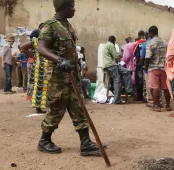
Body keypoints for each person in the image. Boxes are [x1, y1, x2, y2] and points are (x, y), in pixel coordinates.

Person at [36, 0, 106, 155]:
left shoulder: (67, 26)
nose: (74, 10)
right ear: (64, 8)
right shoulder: (50, 26)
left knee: (78, 108)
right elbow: (41, 48)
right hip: (59, 78)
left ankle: (86, 143)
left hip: (72, 77)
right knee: (56, 109)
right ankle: (44, 140)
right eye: (72, 7)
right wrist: (59, 59)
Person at [144, 25, 170, 112]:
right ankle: (168, 106)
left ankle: (157, 106)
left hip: (153, 68)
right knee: (165, 87)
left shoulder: (150, 43)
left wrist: (145, 67)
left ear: (150, 33)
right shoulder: (165, 42)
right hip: (164, 68)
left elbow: (148, 57)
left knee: (154, 87)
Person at [20, 29, 46, 114]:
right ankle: (38, 107)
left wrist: (31, 56)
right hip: (39, 67)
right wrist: (31, 56)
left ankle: (40, 106)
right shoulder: (36, 41)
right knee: (38, 86)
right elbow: (22, 47)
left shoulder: (41, 41)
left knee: (39, 86)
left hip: (41, 66)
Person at [103, 35, 133, 104]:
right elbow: (115, 56)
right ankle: (116, 100)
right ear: (113, 41)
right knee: (117, 80)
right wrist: (120, 58)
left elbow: (114, 55)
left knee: (127, 72)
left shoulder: (106, 45)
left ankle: (128, 90)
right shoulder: (110, 45)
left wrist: (119, 57)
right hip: (111, 65)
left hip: (111, 65)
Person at [132, 30, 146, 101]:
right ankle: (146, 97)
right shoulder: (147, 42)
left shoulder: (136, 44)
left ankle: (140, 97)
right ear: (144, 35)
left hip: (139, 64)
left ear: (138, 35)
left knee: (139, 80)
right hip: (147, 63)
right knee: (146, 81)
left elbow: (133, 54)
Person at [141, 32, 153, 106]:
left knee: (148, 84)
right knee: (156, 85)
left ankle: (150, 100)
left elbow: (143, 57)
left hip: (148, 68)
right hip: (158, 67)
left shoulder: (145, 44)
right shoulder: (162, 42)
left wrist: (143, 66)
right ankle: (158, 101)